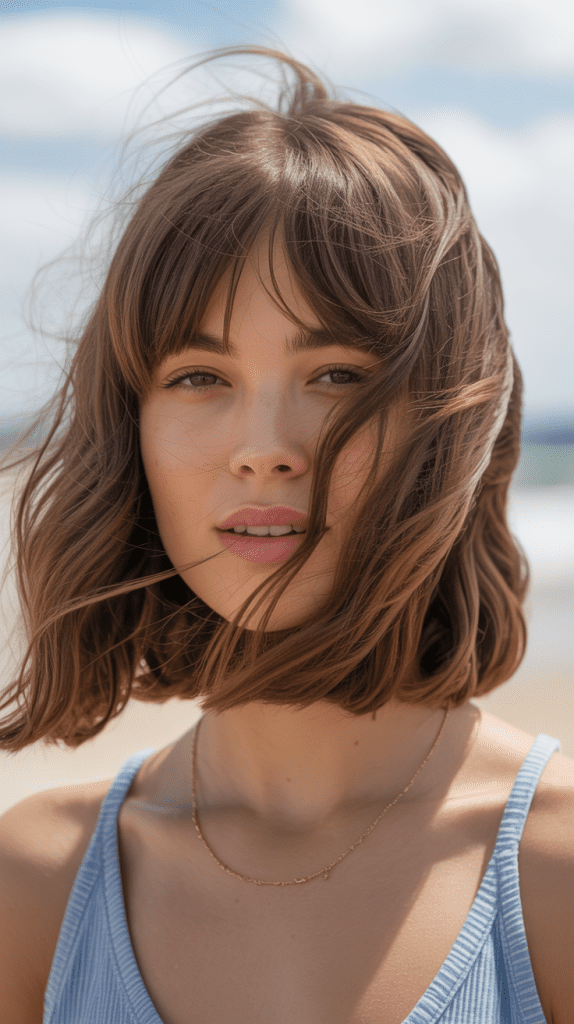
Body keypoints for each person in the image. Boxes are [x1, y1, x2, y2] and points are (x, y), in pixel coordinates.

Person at [0, 45, 572, 1024]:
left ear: (453, 424)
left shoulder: (550, 874)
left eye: (339, 375)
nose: (264, 448)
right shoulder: (35, 887)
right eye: (199, 377)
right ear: (131, 428)